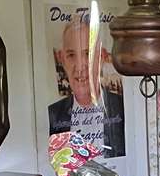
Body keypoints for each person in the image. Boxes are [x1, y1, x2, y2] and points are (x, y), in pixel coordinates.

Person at [48, 18, 125, 157]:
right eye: (71, 55)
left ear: (101, 57)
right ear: (62, 60)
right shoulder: (53, 114)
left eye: (88, 54)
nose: (79, 67)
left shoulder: (122, 108)